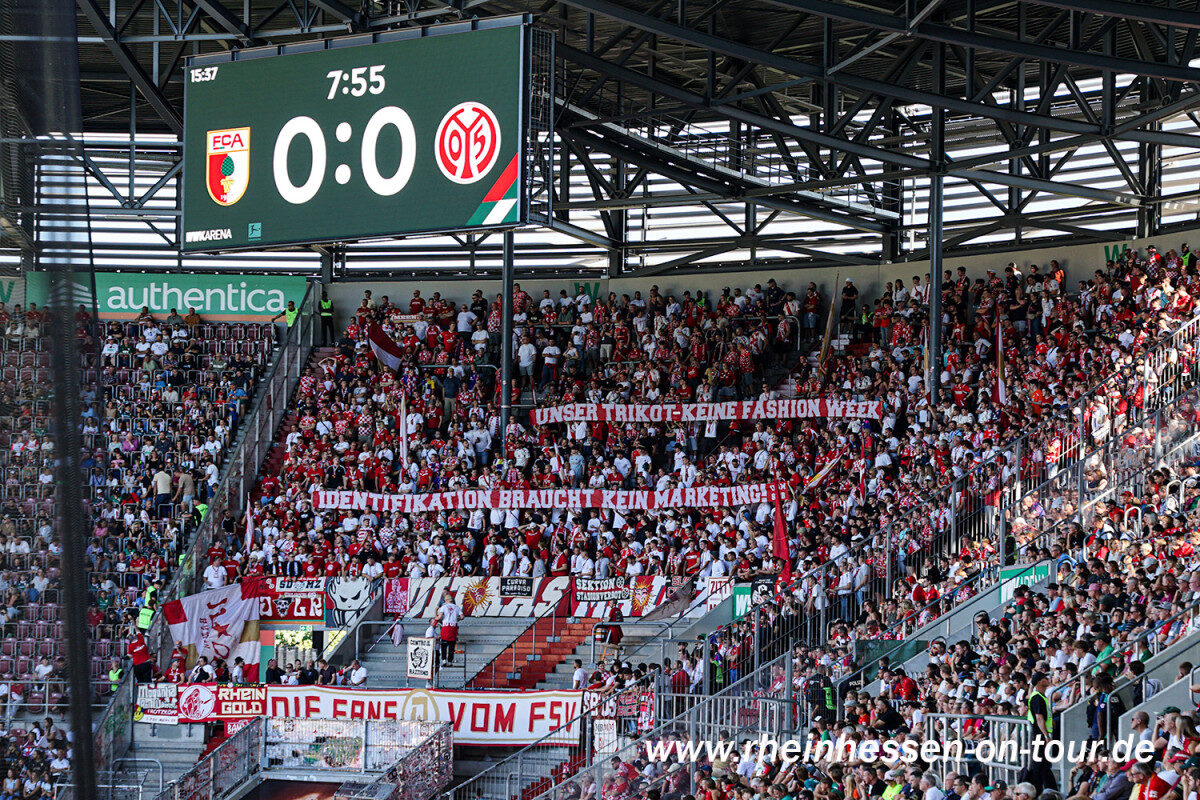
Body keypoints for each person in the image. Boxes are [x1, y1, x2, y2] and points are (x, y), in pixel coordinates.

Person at [1026, 672, 1058, 793]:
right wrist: (1046, 735)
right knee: (1039, 764)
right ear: (1039, 682)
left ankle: (1050, 789)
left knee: (1043, 764)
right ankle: (1036, 790)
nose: (1048, 679)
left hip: (1042, 734)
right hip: (1040, 735)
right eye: (1045, 678)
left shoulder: (1041, 696)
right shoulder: (1037, 697)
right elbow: (1039, 718)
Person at [437, 590, 461, 666]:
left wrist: (436, 618)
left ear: (446, 600)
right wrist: (457, 619)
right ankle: (450, 661)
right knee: (451, 645)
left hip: (446, 626)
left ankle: (444, 660)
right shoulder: (457, 607)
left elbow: (440, 616)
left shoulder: (444, 607)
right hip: (453, 627)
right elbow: (462, 616)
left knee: (443, 644)